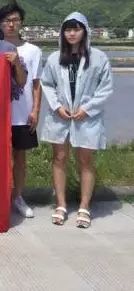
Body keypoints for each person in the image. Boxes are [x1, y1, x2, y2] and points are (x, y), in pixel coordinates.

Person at [40, 12, 113, 229]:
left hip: (87, 117)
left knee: (85, 160)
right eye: (68, 29)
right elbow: (47, 84)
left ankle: (84, 206)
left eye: (76, 29)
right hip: (60, 116)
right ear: (62, 32)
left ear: (85, 31)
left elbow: (105, 88)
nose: (72, 33)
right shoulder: (55, 58)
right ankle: (61, 204)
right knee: (59, 158)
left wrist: (87, 109)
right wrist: (56, 106)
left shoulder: (98, 58)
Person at [0, 0, 42, 218]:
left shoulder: (33, 51)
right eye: (7, 20)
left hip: (22, 113)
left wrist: (35, 111)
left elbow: (36, 84)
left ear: (21, 22)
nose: (11, 24)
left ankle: (18, 197)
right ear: (0, 24)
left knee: (20, 157)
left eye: (15, 20)